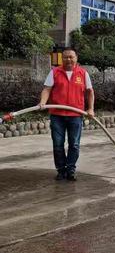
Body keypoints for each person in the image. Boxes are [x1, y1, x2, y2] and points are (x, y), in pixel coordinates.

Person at [39, 48, 95, 181]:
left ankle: (70, 170)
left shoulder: (83, 73)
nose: (68, 60)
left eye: (71, 57)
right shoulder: (55, 72)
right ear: (61, 59)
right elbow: (47, 89)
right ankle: (61, 170)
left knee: (74, 144)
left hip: (75, 115)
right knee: (58, 144)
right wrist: (42, 102)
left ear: (76, 58)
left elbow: (90, 92)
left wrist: (91, 109)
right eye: (65, 57)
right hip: (57, 115)